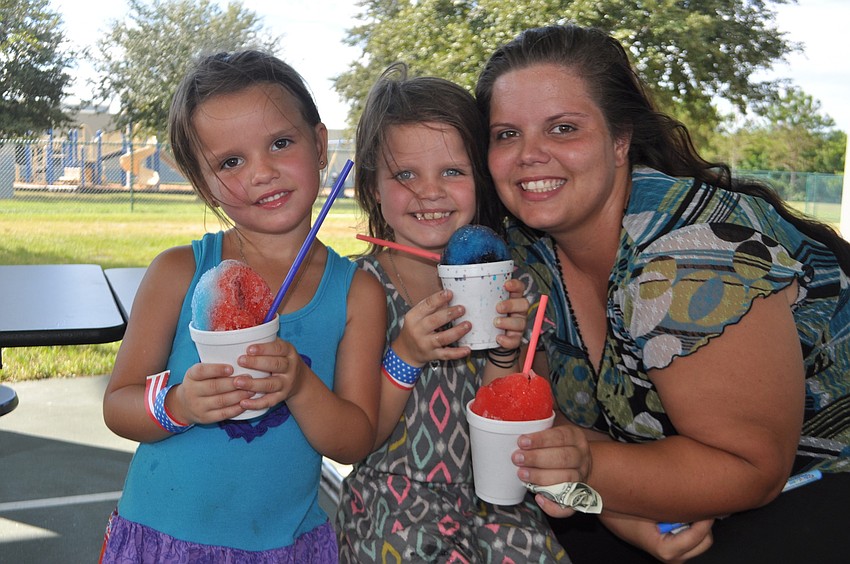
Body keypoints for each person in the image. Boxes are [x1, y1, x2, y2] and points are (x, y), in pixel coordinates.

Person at [474, 24, 850, 564]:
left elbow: (750, 469)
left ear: (620, 139)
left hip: (816, 484)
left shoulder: (692, 257)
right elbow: (551, 437)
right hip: (651, 493)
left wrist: (592, 474)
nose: (529, 154)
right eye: (506, 134)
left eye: (562, 128)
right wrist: (617, 512)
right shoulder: (525, 255)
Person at [100, 50, 385, 562]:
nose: (263, 172)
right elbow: (119, 404)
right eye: (231, 161)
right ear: (202, 181)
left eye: (280, 143)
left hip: (283, 546)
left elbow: (354, 441)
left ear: (319, 145)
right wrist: (179, 404)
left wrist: (299, 383)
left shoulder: (357, 294)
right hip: (161, 540)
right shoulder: (177, 273)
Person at [335, 63, 569, 562]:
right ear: (374, 187)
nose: (429, 191)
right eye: (405, 175)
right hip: (391, 509)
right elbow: (354, 440)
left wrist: (506, 357)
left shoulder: (516, 283)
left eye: (453, 172)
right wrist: (407, 352)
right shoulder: (356, 288)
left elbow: (526, 426)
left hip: (502, 506)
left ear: (481, 181)